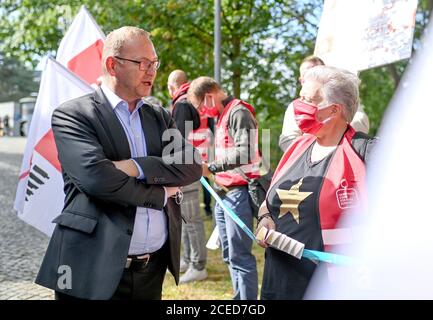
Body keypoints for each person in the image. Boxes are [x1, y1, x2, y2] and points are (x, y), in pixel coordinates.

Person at [35, 26, 202, 300]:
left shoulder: (159, 116)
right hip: (89, 267)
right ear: (112, 64)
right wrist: (160, 194)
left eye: (155, 63)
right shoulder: (73, 115)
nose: (152, 71)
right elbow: (97, 179)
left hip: (151, 270)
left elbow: (192, 166)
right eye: (143, 63)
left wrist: (136, 166)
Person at [256, 66, 376, 299]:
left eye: (308, 100)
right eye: (300, 97)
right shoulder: (297, 147)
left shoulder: (367, 152)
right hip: (278, 280)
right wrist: (265, 218)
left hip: (330, 286)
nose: (298, 106)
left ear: (334, 109)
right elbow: (270, 200)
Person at [188, 76, 261, 300]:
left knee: (240, 255)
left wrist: (211, 167)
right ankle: (239, 297)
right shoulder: (222, 116)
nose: (203, 112)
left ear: (210, 96)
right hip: (223, 194)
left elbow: (245, 151)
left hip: (238, 194)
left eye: (202, 106)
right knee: (229, 254)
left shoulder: (238, 113)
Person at [167, 69, 209, 283]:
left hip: (188, 170)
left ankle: (198, 265)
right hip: (193, 166)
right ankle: (186, 258)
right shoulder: (190, 101)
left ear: (171, 86)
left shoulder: (182, 104)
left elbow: (177, 141)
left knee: (191, 219)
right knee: (184, 217)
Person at [279, 55, 370, 152]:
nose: (311, 77)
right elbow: (287, 140)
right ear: (301, 80)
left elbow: (361, 122)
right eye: (306, 75)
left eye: (316, 73)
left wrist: (332, 134)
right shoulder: (294, 107)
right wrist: (313, 147)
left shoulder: (344, 99)